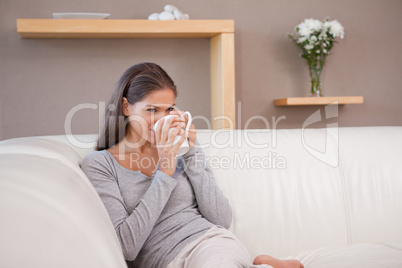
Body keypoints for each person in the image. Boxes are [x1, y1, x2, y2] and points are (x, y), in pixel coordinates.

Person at [80, 62, 303, 268]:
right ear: (126, 107)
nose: (161, 119)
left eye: (168, 110)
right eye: (151, 110)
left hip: (209, 245)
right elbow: (127, 247)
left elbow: (221, 219)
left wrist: (191, 151)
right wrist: (165, 172)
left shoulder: (181, 150)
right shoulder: (100, 164)